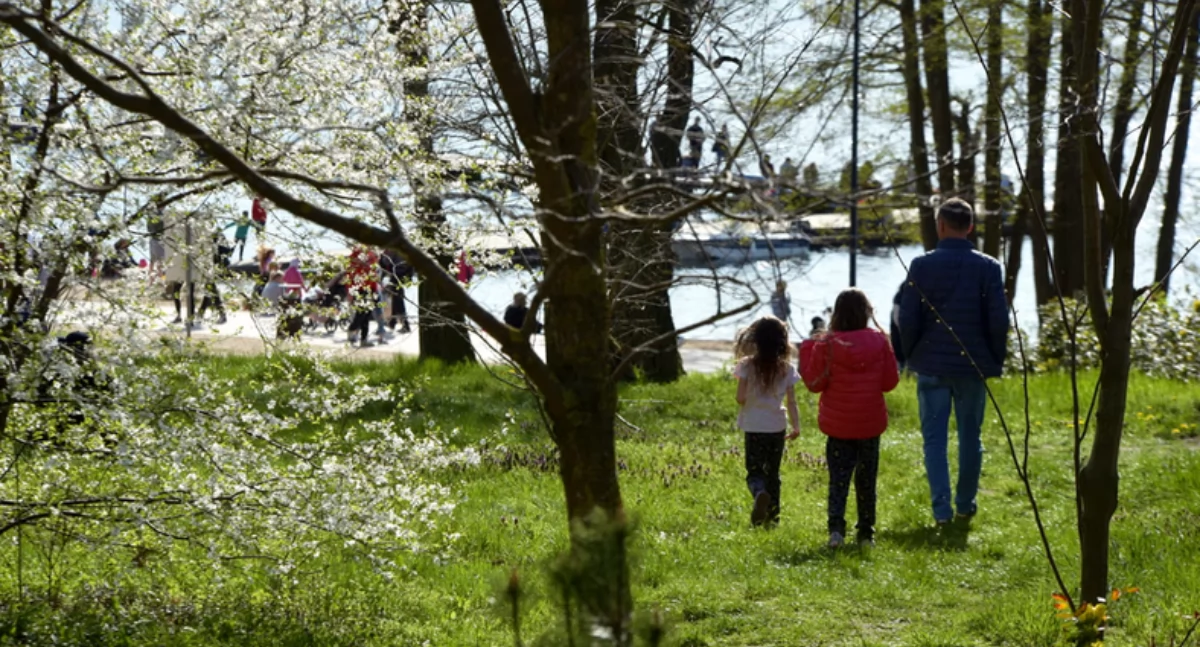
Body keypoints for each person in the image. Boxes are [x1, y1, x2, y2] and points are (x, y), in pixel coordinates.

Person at [899, 197, 1008, 526]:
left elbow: (908, 317)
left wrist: (911, 354)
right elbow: (998, 319)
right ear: (971, 227)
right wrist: (994, 358)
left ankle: (941, 510)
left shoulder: (921, 265)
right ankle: (965, 504)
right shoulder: (989, 267)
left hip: (931, 363)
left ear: (941, 225)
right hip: (972, 365)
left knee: (935, 440)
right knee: (970, 437)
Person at [799, 289, 899, 548]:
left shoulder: (827, 344)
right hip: (869, 423)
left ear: (837, 314)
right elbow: (890, 382)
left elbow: (814, 384)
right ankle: (866, 533)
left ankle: (836, 532)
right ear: (866, 312)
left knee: (838, 480)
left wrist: (808, 349)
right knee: (867, 481)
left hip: (838, 426)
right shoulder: (880, 341)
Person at [732, 316, 802, 526]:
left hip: (753, 425)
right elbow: (791, 402)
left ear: (756, 340)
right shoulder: (787, 369)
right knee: (773, 473)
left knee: (755, 471)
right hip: (776, 427)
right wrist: (796, 426)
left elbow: (740, 398)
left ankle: (759, 492)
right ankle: (773, 517)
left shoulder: (746, 365)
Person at [380, 249, 413, 333]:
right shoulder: (403, 247)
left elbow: (386, 262)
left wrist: (381, 256)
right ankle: (393, 322)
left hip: (397, 274)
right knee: (396, 298)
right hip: (403, 274)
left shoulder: (393, 248)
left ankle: (405, 325)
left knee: (398, 300)